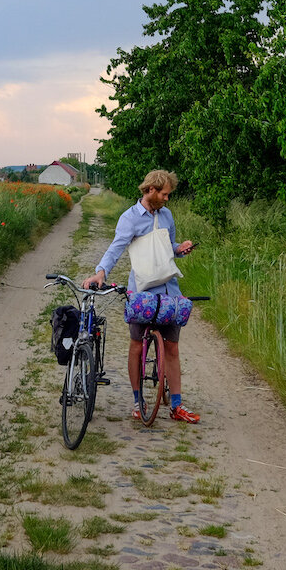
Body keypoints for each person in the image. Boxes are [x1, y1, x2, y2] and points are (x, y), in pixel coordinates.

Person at [84, 169, 199, 423]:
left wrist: (179, 249)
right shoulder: (130, 218)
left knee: (172, 348)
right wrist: (101, 272)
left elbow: (166, 248)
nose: (167, 199)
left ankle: (177, 406)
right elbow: (116, 247)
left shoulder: (167, 216)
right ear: (150, 190)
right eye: (164, 194)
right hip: (142, 293)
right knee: (137, 346)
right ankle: (138, 401)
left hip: (169, 291)